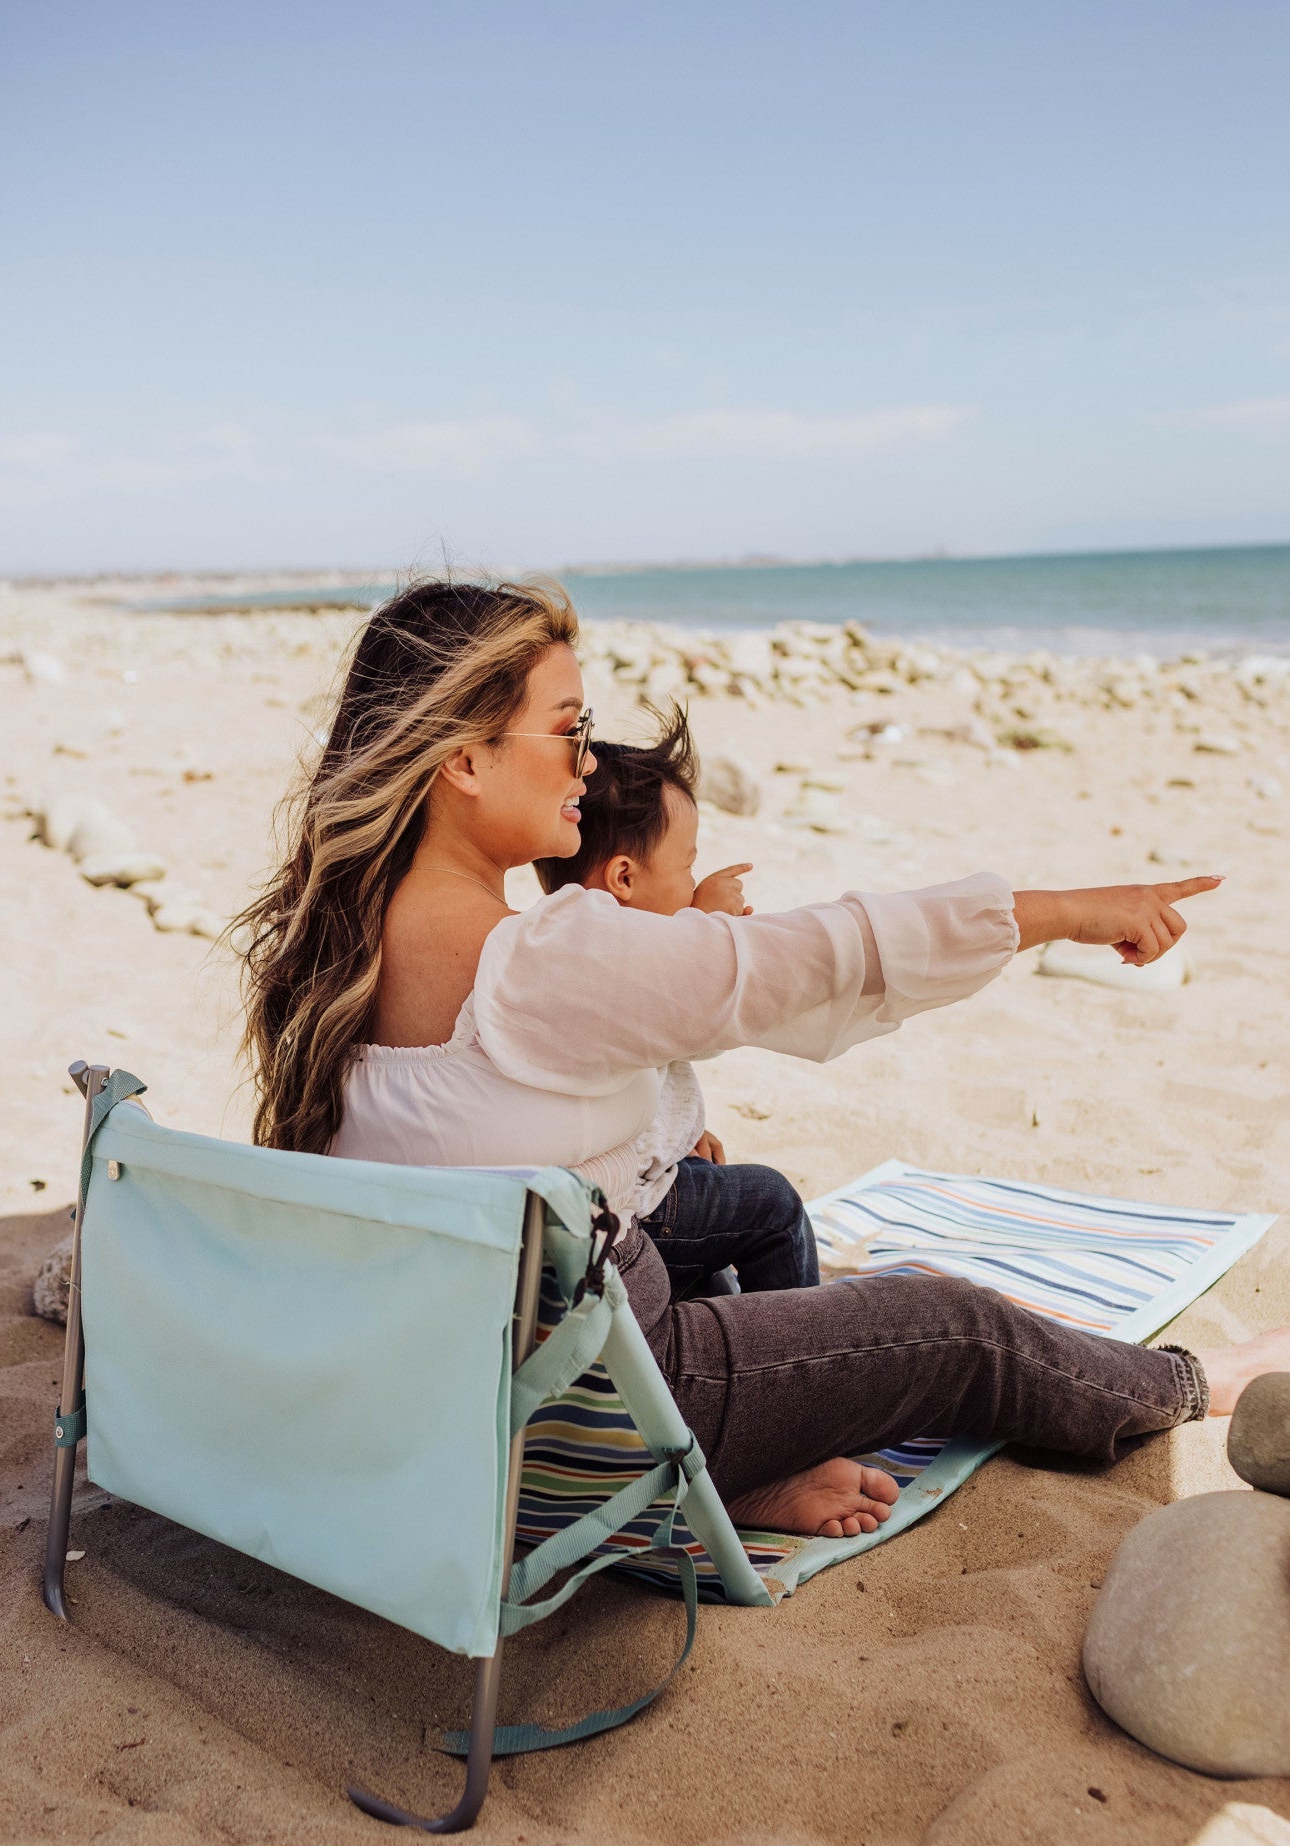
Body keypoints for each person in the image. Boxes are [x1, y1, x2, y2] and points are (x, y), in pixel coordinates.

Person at [238, 576, 1290, 1541]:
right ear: (461, 759)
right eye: (567, 729)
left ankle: (742, 1468)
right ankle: (1197, 1381)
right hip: (606, 1413)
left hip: (455, 1388)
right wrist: (1061, 911)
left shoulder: (329, 948)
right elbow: (823, 953)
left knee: (774, 1239)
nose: (588, 761)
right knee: (949, 1322)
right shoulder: (538, 960)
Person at [533, 708, 819, 1299]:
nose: (694, 880)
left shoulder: (552, 941)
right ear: (623, 878)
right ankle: (798, 1345)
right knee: (774, 1206)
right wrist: (709, 927)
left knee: (714, 1266)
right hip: (633, 1211)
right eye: (687, 865)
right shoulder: (617, 953)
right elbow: (708, 1014)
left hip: (641, 1174)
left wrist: (682, 1128)